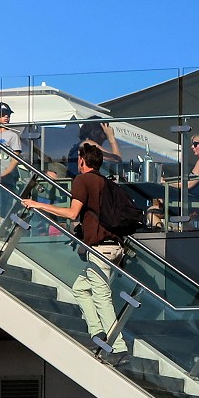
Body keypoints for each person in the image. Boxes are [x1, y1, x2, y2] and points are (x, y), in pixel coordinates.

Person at [19, 142, 130, 365]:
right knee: (80, 287)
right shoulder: (106, 183)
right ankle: (98, 334)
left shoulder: (83, 180)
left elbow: (72, 213)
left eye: (78, 159)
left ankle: (118, 347)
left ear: (82, 160)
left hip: (100, 249)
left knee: (101, 296)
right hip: (116, 247)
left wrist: (37, 205)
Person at [0, 101, 22, 225]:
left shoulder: (13, 135)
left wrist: (5, 174)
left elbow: (15, 158)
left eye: (8, 114)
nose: (6, 116)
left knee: (3, 209)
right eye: (2, 114)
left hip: (5, 180)